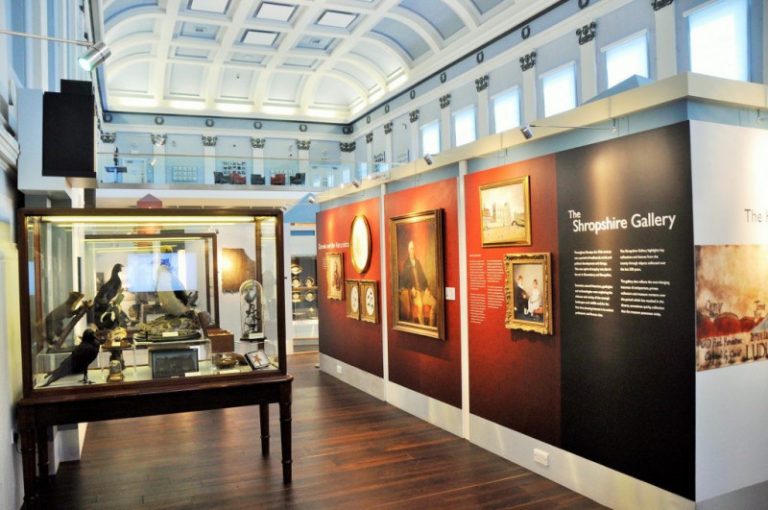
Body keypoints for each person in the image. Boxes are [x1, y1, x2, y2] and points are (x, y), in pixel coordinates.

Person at [399, 240, 435, 325]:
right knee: (420, 306)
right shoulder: (406, 264)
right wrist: (411, 288)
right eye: (411, 248)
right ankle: (423, 328)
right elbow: (403, 281)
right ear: (408, 250)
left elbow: (423, 276)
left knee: (435, 303)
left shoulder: (417, 262)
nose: (412, 250)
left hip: (422, 291)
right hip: (415, 293)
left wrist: (426, 288)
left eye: (413, 248)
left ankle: (431, 327)